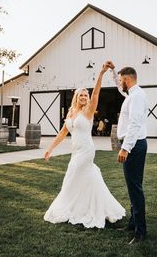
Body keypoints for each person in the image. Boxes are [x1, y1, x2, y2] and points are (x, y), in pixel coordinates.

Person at [43, 63, 126, 229]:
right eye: (81, 95)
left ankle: (75, 207)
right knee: (84, 178)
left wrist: (101, 73)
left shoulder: (88, 110)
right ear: (76, 97)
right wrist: (50, 149)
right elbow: (62, 133)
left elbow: (96, 92)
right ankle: (85, 206)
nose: (84, 97)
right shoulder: (71, 113)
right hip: (76, 151)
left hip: (87, 150)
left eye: (85, 95)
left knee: (72, 175)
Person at [110, 61, 149, 245]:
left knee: (135, 188)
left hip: (133, 146)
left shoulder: (137, 96)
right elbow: (119, 88)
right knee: (132, 187)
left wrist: (125, 148)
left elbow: (134, 123)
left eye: (120, 80)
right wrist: (111, 70)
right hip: (134, 144)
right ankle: (133, 224)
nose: (119, 83)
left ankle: (141, 231)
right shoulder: (131, 95)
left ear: (127, 79)